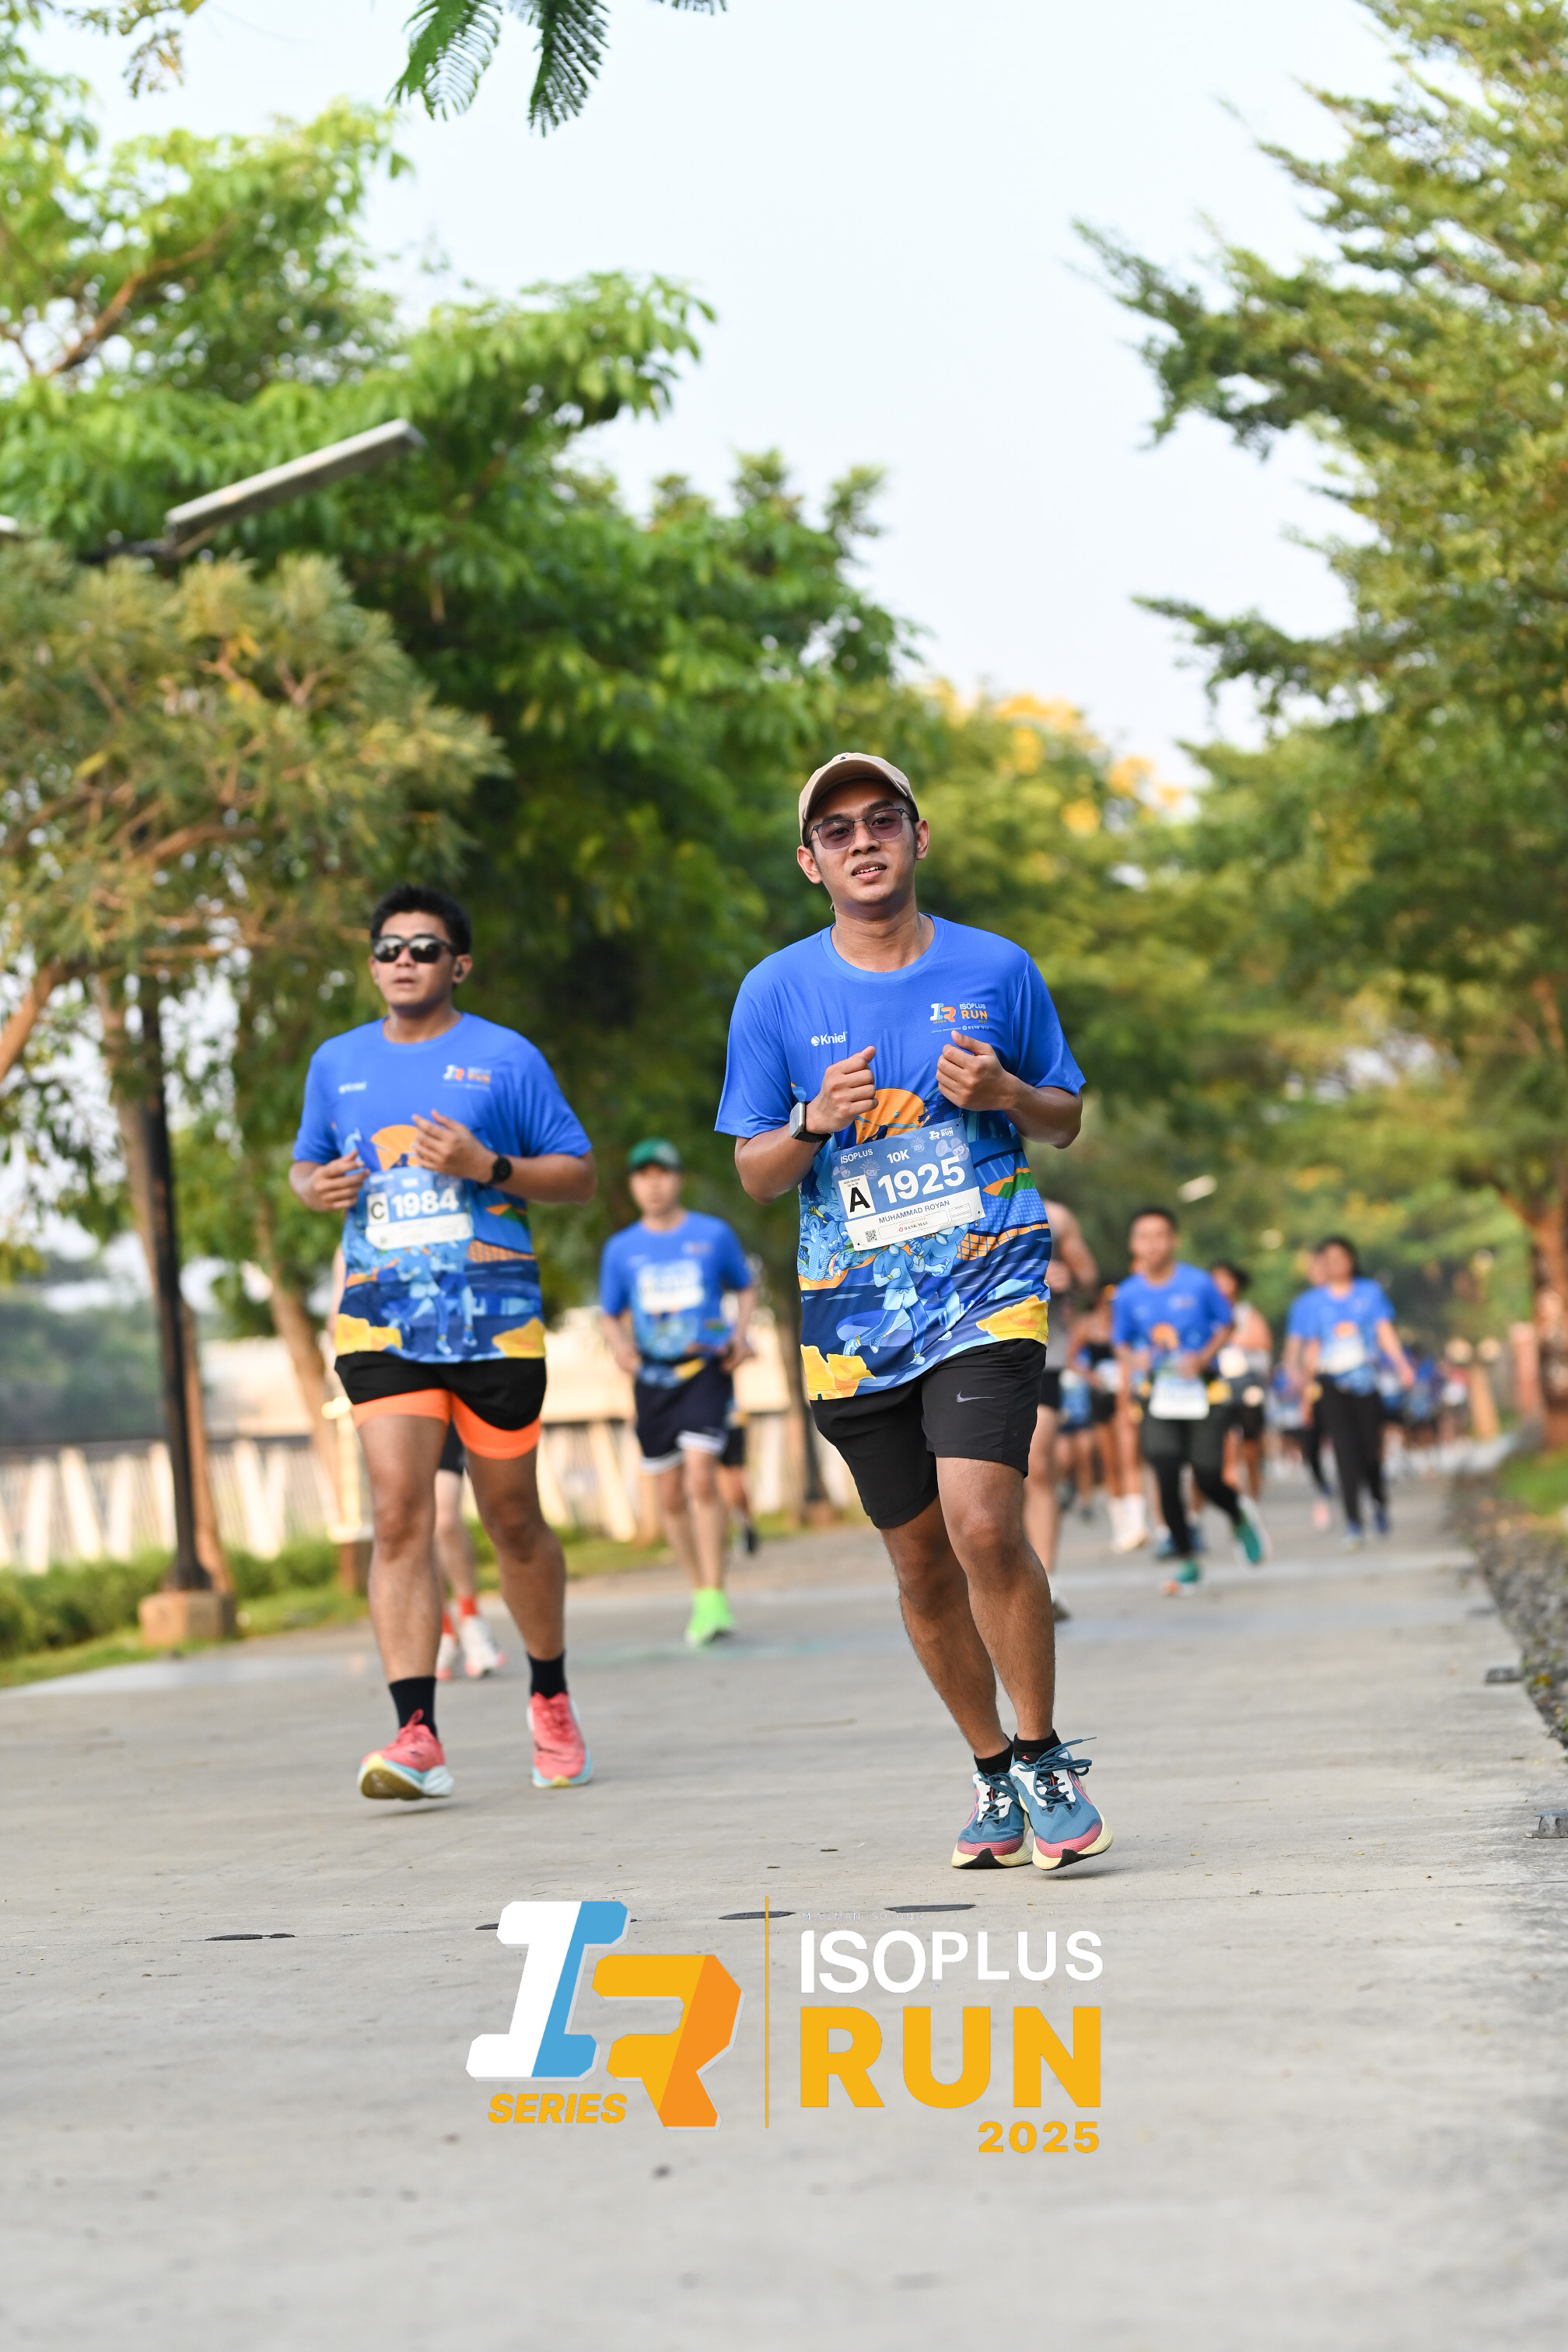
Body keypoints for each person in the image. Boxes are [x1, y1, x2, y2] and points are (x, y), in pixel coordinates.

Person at [717, 748, 1112, 1875]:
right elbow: (755, 1172)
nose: (863, 841)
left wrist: (1007, 1093)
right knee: (922, 1565)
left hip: (988, 1288)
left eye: (881, 819)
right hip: (855, 1321)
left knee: (984, 1524)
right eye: (836, 831)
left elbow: (1065, 1118)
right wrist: (810, 1121)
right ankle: (990, 1769)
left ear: (918, 836)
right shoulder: (774, 993)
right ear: (811, 862)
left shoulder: (998, 966)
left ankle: (1041, 1753)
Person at [289, 883, 597, 1803]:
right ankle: (415, 1732)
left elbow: (578, 1175)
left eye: (424, 948)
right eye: (389, 948)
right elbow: (306, 1163)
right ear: (372, 964)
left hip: (495, 1321)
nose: (404, 961)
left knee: (512, 1520)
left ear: (458, 964)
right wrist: (315, 1187)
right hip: (381, 1319)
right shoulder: (337, 1062)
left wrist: (486, 1165)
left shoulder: (506, 1058)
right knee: (399, 1514)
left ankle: (550, 1695)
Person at [600, 1139, 756, 1645]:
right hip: (652, 1380)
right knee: (669, 1494)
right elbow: (609, 1313)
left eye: (662, 1173)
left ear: (677, 1179)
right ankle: (698, 1591)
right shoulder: (621, 1249)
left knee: (701, 1477)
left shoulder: (713, 1235)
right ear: (632, 1184)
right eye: (643, 1175)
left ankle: (716, 1593)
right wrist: (621, 1348)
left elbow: (745, 1286)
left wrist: (740, 1335)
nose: (654, 1184)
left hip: (705, 1370)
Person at [1112, 1206, 1269, 1590]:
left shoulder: (1199, 1283)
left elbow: (1227, 1323)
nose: (1153, 1244)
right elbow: (1121, 1343)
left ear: (1174, 1240)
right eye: (1144, 1237)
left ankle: (1238, 1514)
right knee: (1165, 1470)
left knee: (1208, 1474)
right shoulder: (1127, 1294)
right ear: (1133, 1244)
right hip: (1158, 1394)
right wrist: (1135, 1359)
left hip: (1204, 1390)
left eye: (1160, 1235)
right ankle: (1186, 1557)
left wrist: (1202, 1357)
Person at [1296, 1237, 1415, 1545]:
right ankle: (1353, 1522)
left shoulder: (1369, 1292)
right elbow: (1313, 1347)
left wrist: (1402, 1365)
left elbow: (1384, 1331)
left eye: (1341, 1257)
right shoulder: (1314, 1302)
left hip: (1366, 1382)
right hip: (1331, 1384)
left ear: (1351, 1260)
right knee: (1343, 1452)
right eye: (1329, 1259)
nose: (1336, 1264)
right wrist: (1305, 1394)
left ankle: (1378, 1500)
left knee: (1370, 1451)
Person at [1022, 1198, 1097, 1620]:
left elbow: (1088, 1277)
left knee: (1036, 1464)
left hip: (1041, 1354)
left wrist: (1067, 1276)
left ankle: (1046, 1585)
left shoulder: (1055, 1215)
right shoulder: (943, 1195)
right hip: (961, 1354)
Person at [432, 1429, 506, 1680]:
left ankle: (471, 1618)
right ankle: (444, 1631)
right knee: (417, 1527)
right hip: (397, 1416)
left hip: (446, 1415)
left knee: (445, 1519)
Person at [1209, 1261, 1272, 1502]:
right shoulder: (1205, 1313)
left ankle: (1253, 1494)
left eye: (1226, 1279)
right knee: (1224, 1442)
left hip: (1246, 1382)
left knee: (1250, 1442)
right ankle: (1232, 1495)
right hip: (1218, 1383)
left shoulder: (1246, 1313)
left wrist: (1231, 1338)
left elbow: (1263, 1341)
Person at [1283, 1249, 1335, 1530]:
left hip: (1341, 1379)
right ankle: (1322, 1485)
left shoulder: (1344, 1297)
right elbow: (1293, 1344)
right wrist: (1292, 1372)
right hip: (1311, 1383)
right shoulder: (1302, 1304)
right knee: (1311, 1437)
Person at [716, 1405, 760, 1556]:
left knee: (733, 1485)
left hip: (730, 1420)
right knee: (722, 1485)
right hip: (714, 1422)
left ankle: (744, 1528)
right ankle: (737, 1530)